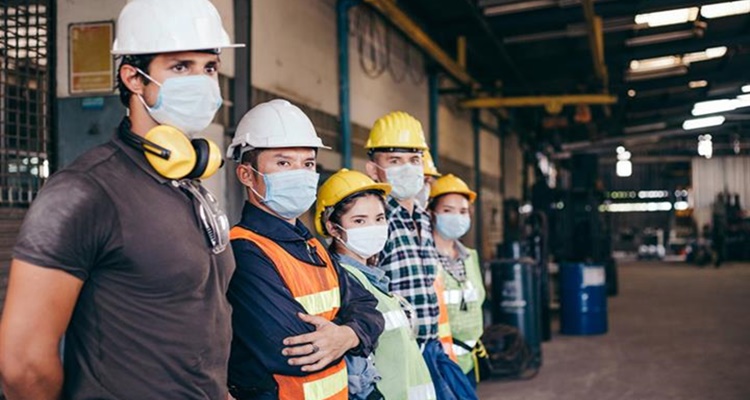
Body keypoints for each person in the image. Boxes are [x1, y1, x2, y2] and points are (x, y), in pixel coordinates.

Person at [0, 1, 243, 398]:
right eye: (181, 67)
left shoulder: (189, 184)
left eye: (209, 67)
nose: (202, 82)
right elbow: (23, 364)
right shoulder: (85, 192)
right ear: (133, 77)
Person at [225, 99, 384, 400]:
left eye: (308, 163)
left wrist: (347, 335)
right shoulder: (244, 250)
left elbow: (370, 309)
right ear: (246, 175)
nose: (299, 173)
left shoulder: (312, 245)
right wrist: (352, 332)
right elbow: (295, 352)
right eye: (284, 163)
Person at [364, 111, 477, 400]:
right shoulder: (375, 220)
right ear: (373, 169)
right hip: (394, 355)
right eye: (394, 160)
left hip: (431, 348)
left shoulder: (425, 221)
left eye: (414, 160)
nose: (407, 168)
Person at [315, 168, 437, 400]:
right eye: (359, 220)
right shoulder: (344, 280)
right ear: (332, 227)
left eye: (379, 218)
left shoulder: (373, 278)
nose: (373, 227)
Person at [428, 174, 486, 388]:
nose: (457, 217)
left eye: (463, 211)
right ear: (431, 213)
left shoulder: (470, 257)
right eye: (447, 210)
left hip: (470, 362)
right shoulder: (426, 259)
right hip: (439, 364)